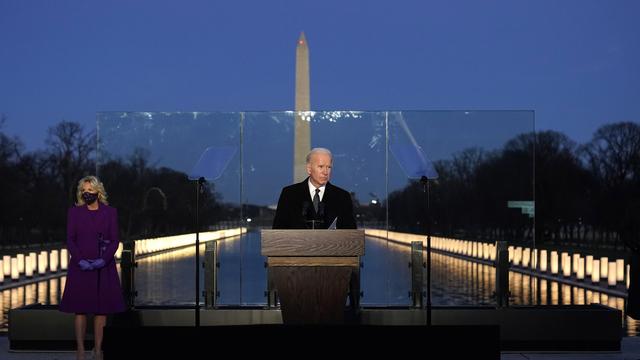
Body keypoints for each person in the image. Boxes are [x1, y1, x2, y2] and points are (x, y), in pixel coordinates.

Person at [60, 175, 126, 360]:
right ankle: (80, 349)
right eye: (83, 190)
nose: (86, 193)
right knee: (80, 309)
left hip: (102, 266)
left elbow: (114, 240)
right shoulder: (74, 213)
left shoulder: (110, 212)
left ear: (98, 191)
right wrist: (79, 260)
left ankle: (98, 349)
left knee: (101, 309)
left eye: (90, 190)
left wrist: (103, 260)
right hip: (80, 266)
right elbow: (70, 239)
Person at [273, 147, 357, 229]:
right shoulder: (289, 194)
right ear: (309, 169)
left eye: (329, 167)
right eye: (321, 166)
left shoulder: (343, 197)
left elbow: (352, 236)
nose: (325, 172)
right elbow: (277, 231)